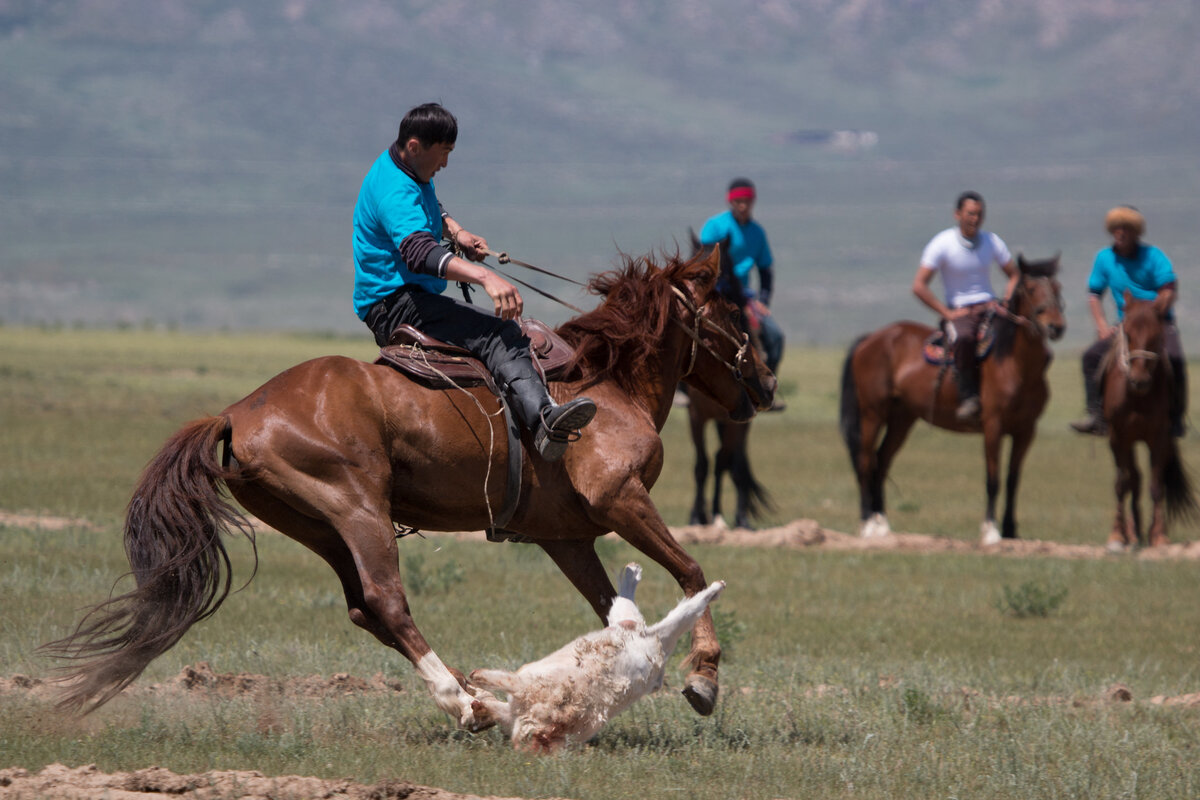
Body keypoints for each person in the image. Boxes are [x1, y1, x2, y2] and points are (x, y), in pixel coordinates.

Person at [352, 103, 596, 461]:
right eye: (444, 154)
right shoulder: (394, 187)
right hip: (397, 304)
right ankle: (544, 424)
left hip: (401, 297)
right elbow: (418, 252)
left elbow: (429, 200)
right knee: (502, 334)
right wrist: (485, 276)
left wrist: (456, 230)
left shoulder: (406, 166)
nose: (446, 164)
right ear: (416, 146)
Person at [1069, 205, 1187, 437]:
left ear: (1136, 232)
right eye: (1116, 228)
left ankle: (1176, 417)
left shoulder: (1153, 256)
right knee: (1091, 357)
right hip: (1127, 325)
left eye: (1126, 228)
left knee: (1175, 359)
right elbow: (1094, 294)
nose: (1120, 233)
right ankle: (1097, 416)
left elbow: (1169, 289)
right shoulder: (1104, 258)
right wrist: (1102, 326)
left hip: (1158, 323)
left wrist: (1157, 310)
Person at [912, 190, 1018, 423]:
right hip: (961, 310)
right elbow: (919, 286)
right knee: (964, 338)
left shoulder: (992, 241)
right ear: (957, 214)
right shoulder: (942, 243)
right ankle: (968, 396)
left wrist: (1007, 301)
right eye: (970, 213)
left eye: (980, 214)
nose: (975, 219)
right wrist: (947, 312)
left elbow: (1014, 275)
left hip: (990, 306)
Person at [698, 177, 785, 410]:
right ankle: (682, 390)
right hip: (714, 292)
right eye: (739, 201)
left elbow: (766, 270)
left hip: (744, 296)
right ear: (731, 202)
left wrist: (763, 300)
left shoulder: (758, 233)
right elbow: (701, 261)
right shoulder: (714, 226)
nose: (743, 205)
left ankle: (766, 389)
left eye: (747, 201)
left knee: (775, 337)